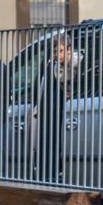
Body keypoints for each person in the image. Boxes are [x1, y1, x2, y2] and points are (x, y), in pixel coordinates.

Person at [30, 34, 79, 182]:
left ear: (70, 50)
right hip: (50, 111)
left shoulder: (77, 64)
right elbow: (39, 86)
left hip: (65, 112)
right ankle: (49, 174)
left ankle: (56, 173)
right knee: (48, 144)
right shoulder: (50, 65)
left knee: (60, 144)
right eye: (57, 51)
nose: (59, 54)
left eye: (62, 51)